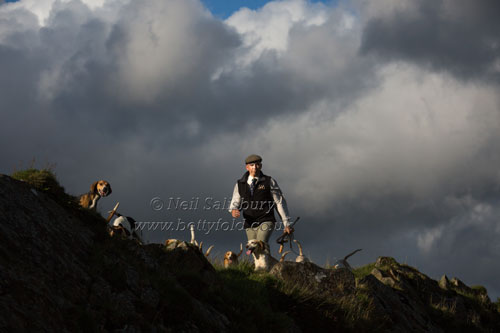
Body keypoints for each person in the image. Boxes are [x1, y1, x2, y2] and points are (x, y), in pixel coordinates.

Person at [229, 154, 292, 247]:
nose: (255, 167)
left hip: (266, 219)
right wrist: (233, 210)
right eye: (252, 165)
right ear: (247, 167)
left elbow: (279, 203)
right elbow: (235, 201)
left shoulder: (269, 181)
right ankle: (268, 261)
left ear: (261, 166)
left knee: (260, 244)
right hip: (249, 222)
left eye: (257, 164)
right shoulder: (240, 183)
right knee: (253, 249)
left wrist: (286, 223)